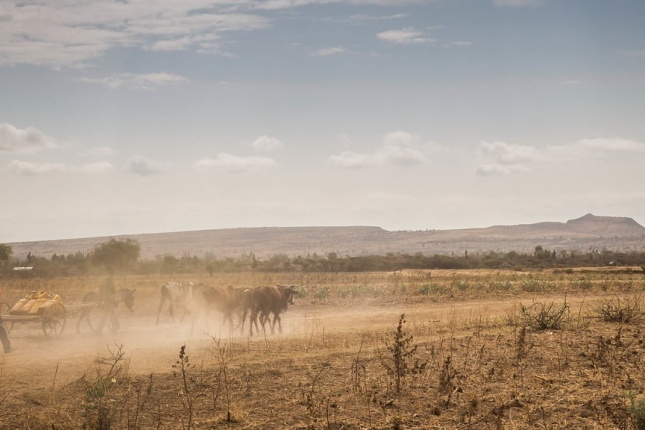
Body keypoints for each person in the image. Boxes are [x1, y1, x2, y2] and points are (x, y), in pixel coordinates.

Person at [96, 266, 120, 334]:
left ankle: (116, 326)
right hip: (109, 299)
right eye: (112, 270)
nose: (113, 271)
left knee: (112, 313)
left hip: (105, 298)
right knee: (106, 314)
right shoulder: (111, 278)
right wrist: (116, 297)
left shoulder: (104, 279)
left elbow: (100, 289)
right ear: (109, 271)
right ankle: (99, 330)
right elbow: (113, 289)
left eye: (113, 270)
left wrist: (100, 298)